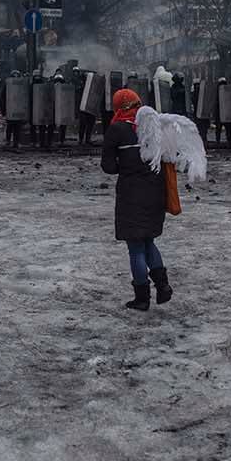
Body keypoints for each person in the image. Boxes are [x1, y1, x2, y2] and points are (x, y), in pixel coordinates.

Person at [101, 88, 172, 312]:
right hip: (155, 191)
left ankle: (142, 297)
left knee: (135, 247)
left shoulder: (116, 129)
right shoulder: (153, 125)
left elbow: (108, 166)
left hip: (131, 194)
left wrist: (125, 165)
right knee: (148, 240)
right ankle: (163, 286)